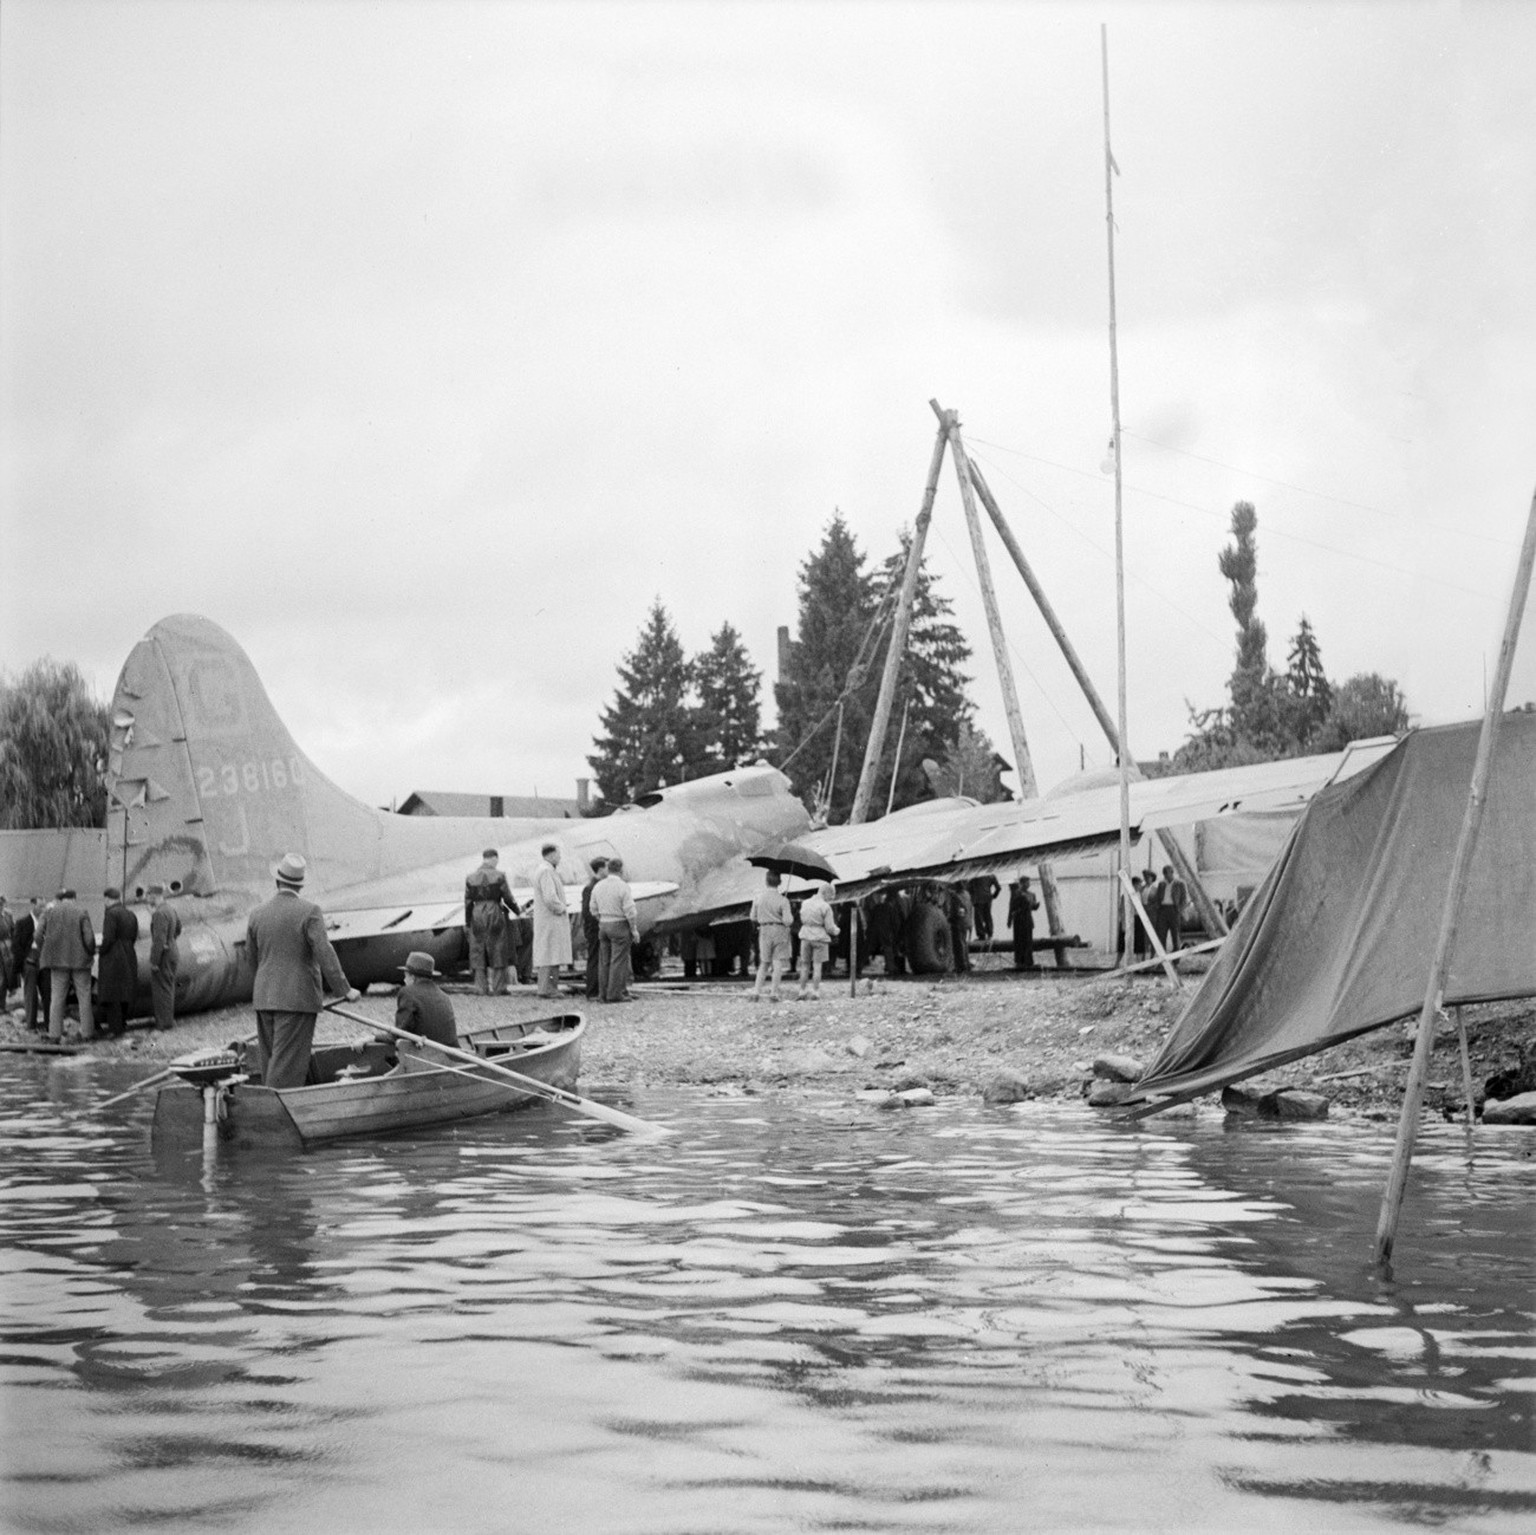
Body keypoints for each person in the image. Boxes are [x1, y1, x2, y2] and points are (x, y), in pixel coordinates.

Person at [245, 853, 359, 1089]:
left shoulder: (256, 913)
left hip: (264, 998)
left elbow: (251, 959)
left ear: (277, 882)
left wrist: (265, 986)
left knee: (270, 1062)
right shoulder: (310, 911)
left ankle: (263, 1112)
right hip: (296, 1000)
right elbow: (324, 953)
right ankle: (275, 1117)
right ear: (300, 885)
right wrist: (345, 990)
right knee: (287, 1067)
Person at [40, 887, 95, 1041]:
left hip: (57, 962)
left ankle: (54, 1034)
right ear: (74, 898)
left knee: (56, 998)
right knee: (84, 997)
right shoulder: (81, 912)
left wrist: (46, 949)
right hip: (80, 962)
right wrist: (89, 953)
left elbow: (38, 934)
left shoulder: (50, 912)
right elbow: (89, 938)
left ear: (62, 899)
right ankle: (87, 1033)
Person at [464, 849, 516, 995]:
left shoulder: (470, 877)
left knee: (478, 950)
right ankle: (499, 987)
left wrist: (468, 922)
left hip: (477, 912)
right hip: (494, 910)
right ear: (494, 858)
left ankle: (481, 988)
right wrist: (517, 910)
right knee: (498, 948)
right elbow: (508, 897)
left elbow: (467, 902)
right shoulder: (499, 875)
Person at [589, 855, 639, 1002]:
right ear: (621, 870)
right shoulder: (623, 886)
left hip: (603, 925)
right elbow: (630, 910)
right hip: (619, 925)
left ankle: (603, 994)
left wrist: (601, 919)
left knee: (605, 961)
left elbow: (593, 908)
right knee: (619, 961)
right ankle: (615, 994)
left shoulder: (598, 886)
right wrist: (634, 929)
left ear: (608, 869)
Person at [393, 951, 458, 1051]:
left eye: (405, 976)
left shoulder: (407, 992)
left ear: (413, 977)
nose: (404, 980)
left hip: (428, 1055)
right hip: (451, 1053)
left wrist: (371, 1038)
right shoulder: (444, 995)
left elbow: (399, 1034)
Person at [531, 842, 572, 998]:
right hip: (551, 919)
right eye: (558, 855)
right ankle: (549, 988)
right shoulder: (546, 871)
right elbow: (550, 897)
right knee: (551, 954)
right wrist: (561, 908)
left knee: (548, 953)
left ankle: (545, 987)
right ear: (552, 854)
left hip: (547, 919)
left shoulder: (543, 870)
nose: (560, 858)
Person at [97, 887, 139, 1036]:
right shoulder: (130, 914)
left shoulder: (111, 914)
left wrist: (100, 951)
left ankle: (115, 1029)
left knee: (112, 994)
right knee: (125, 992)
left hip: (113, 957)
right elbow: (134, 936)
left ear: (108, 899)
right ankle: (122, 1024)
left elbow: (108, 938)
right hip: (129, 955)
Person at [748, 869, 793, 1002]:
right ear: (779, 882)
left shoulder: (758, 898)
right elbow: (788, 921)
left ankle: (756, 991)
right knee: (777, 963)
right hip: (779, 931)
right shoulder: (783, 900)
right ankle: (774, 993)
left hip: (764, 930)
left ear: (766, 881)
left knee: (764, 962)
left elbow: (752, 917)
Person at [795, 882, 840, 1000]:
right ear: (825, 893)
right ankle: (815, 992)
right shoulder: (825, 907)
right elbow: (829, 927)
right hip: (820, 938)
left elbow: (802, 919)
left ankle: (802, 991)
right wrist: (837, 931)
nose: (829, 900)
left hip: (805, 936)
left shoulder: (805, 903)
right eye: (829, 897)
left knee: (804, 966)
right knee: (817, 966)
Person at [147, 884, 181, 1030]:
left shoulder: (159, 913)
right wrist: (171, 940)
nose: (147, 898)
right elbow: (178, 928)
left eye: (148, 895)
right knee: (168, 987)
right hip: (173, 951)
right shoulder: (170, 909)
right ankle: (168, 1020)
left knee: (161, 990)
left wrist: (154, 961)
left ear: (154, 896)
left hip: (164, 955)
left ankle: (163, 1024)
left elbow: (158, 940)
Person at [580, 856, 608, 998]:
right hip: (595, 928)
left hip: (598, 927)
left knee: (599, 958)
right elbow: (587, 911)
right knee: (595, 958)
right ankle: (592, 991)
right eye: (606, 867)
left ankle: (598, 990)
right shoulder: (590, 888)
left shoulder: (597, 885)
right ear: (601, 869)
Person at [13, 898, 42, 1029]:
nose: (42, 910)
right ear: (33, 906)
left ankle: (49, 1024)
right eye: (40, 906)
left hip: (43, 960)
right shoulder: (22, 922)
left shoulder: (45, 921)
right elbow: (16, 945)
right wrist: (23, 960)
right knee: (30, 993)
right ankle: (31, 1023)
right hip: (29, 961)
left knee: (47, 991)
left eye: (44, 907)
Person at [1008, 876, 1039, 972]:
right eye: (1026, 883)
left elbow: (1032, 907)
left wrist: (1035, 906)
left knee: (1028, 941)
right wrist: (1009, 920)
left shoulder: (1032, 894)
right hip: (1019, 920)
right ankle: (1020, 962)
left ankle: (1028, 962)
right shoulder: (1016, 893)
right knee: (1019, 941)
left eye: (1029, 883)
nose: (1028, 884)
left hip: (1028, 919)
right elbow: (1012, 907)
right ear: (1022, 883)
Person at [1160, 864, 1187, 953]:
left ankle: (1176, 959)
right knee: (1161, 935)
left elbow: (1184, 899)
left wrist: (1180, 910)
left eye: (1167, 873)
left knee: (1175, 935)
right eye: (1164, 873)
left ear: (1172, 873)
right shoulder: (1161, 884)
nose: (1165, 875)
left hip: (1174, 910)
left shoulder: (1180, 883)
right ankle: (1162, 958)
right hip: (1163, 910)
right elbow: (1158, 898)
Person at [946, 884, 973, 973]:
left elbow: (956, 911)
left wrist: (949, 919)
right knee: (964, 944)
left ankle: (961, 966)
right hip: (967, 922)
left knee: (958, 945)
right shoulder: (967, 894)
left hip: (958, 923)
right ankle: (966, 964)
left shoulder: (955, 897)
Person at [968, 875, 1000, 943]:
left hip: (978, 899)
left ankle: (981, 936)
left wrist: (971, 897)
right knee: (988, 917)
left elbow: (969, 887)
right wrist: (994, 896)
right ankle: (990, 934)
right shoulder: (991, 875)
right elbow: (998, 888)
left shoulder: (975, 874)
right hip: (988, 898)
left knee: (978, 918)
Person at [0, 895, 13, 1000]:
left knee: (5, 976)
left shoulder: (8, 914)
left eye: (2, 903)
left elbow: (13, 929)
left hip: (6, 948)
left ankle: (2, 1005)